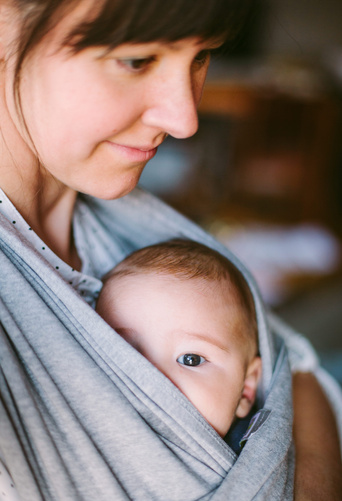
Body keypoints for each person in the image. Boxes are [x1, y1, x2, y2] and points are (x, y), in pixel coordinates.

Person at [0, 0, 340, 499]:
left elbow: (296, 366)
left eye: (202, 56)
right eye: (137, 60)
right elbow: (293, 388)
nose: (184, 119)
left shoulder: (128, 221)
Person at [96, 238, 262, 440]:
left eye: (191, 359)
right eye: (126, 351)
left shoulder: (261, 453)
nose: (153, 378)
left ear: (245, 389)